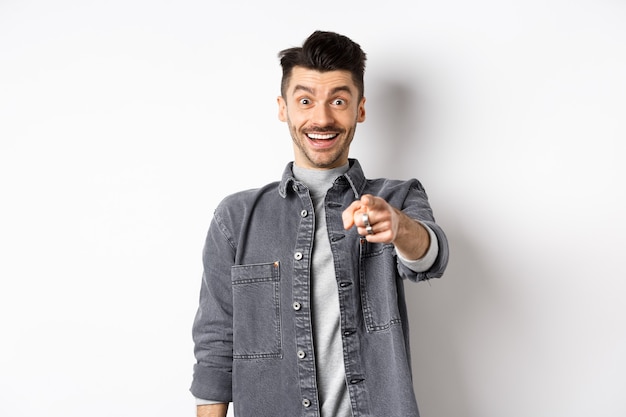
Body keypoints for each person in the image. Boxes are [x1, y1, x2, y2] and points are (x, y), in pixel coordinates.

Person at [190, 30, 449, 417]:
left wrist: (399, 227)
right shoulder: (236, 218)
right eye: (306, 100)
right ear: (284, 108)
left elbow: (430, 256)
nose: (322, 118)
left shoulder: (398, 198)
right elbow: (215, 344)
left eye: (339, 101)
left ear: (360, 109)